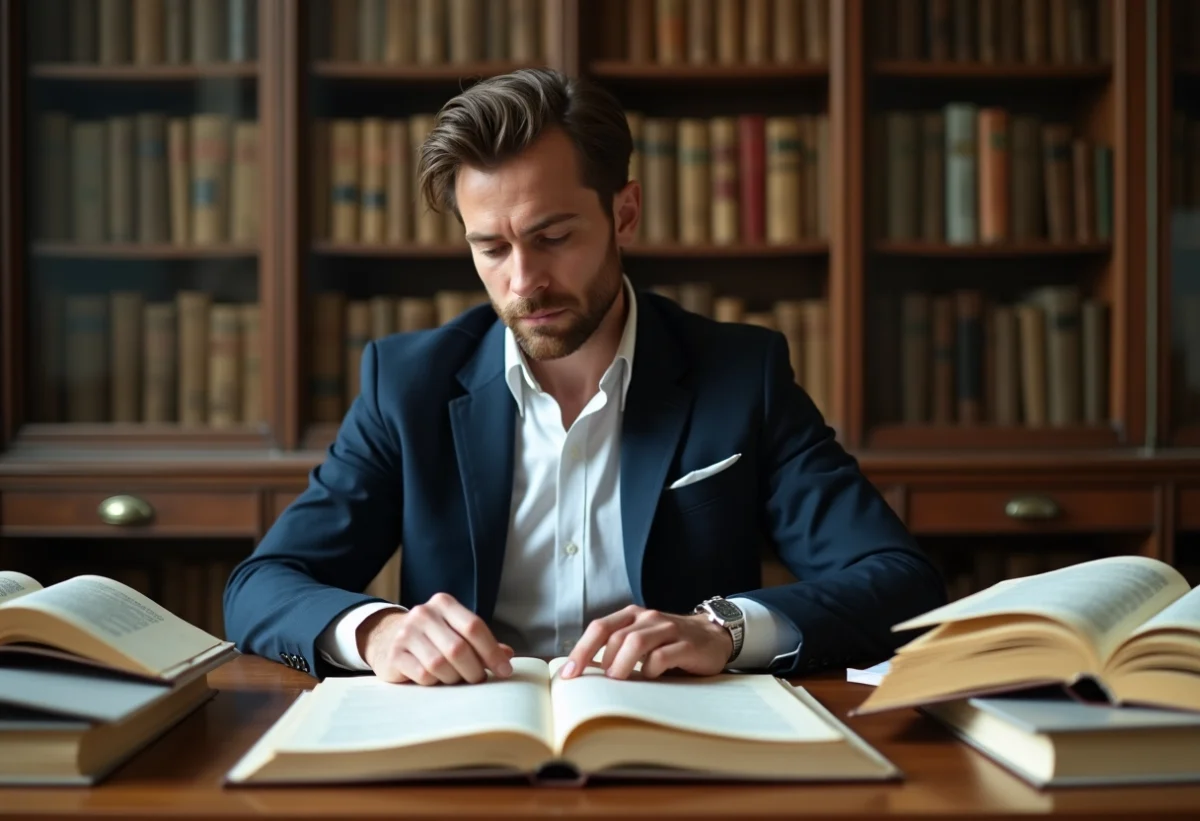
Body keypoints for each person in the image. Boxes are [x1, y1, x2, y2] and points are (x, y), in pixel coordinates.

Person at [223, 67, 946, 687]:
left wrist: (723, 629)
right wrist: (378, 630)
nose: (523, 281)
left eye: (553, 238)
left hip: (675, 742)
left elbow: (898, 580)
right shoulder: (407, 384)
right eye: (491, 248)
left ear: (623, 213)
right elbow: (262, 585)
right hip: (466, 748)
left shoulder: (740, 374)